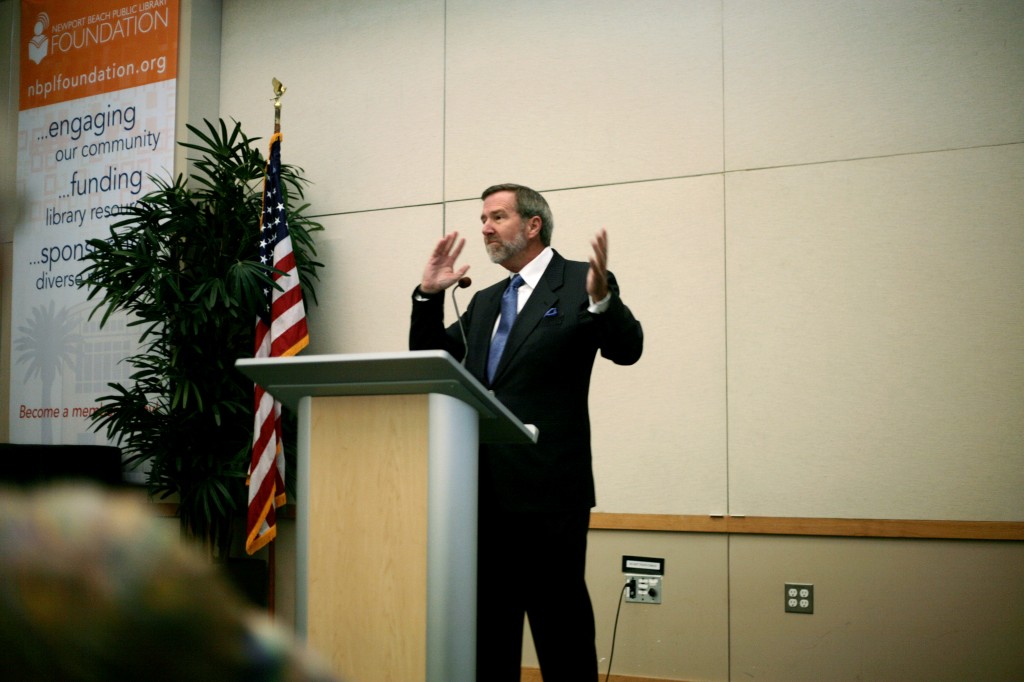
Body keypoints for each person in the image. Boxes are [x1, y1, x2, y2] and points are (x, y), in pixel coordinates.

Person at [409, 183, 643, 681]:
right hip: (481, 492)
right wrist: (429, 296)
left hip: (549, 491)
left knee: (561, 632)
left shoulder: (582, 281)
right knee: (488, 633)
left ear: (533, 225)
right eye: (484, 219)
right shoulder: (487, 301)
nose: (485, 228)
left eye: (497, 217)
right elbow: (430, 362)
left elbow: (627, 349)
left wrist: (602, 304)